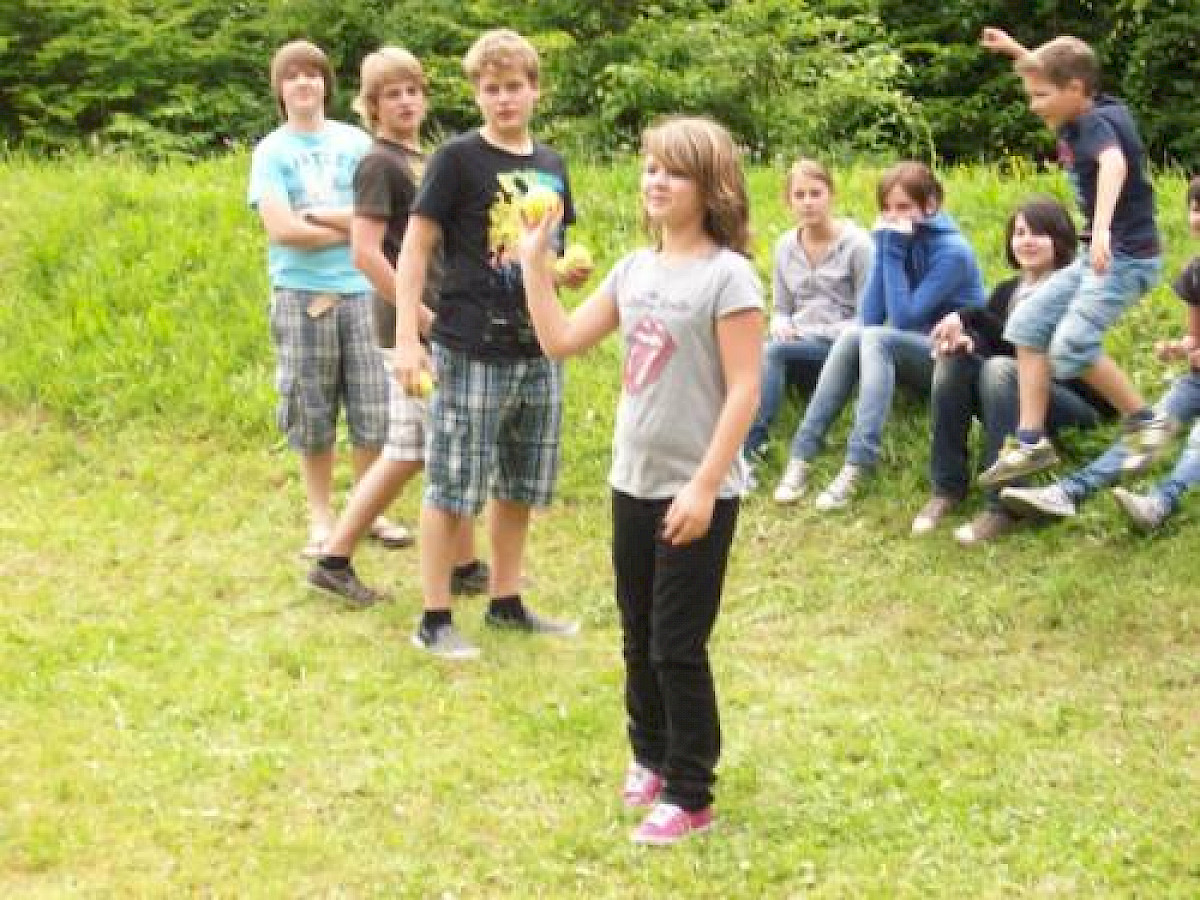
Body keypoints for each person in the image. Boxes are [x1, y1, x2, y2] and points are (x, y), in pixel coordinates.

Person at [517, 115, 763, 846]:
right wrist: (533, 263)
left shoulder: (728, 275)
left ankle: (691, 793)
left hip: (697, 489)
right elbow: (560, 340)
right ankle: (650, 755)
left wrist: (703, 486)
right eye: (651, 167)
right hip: (633, 479)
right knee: (638, 631)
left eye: (674, 172)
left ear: (711, 187)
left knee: (677, 645)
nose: (656, 181)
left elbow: (745, 389)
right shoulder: (633, 269)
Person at [392, 29, 591, 657]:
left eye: (514, 87)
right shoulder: (456, 159)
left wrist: (565, 274)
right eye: (491, 88)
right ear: (476, 94)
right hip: (470, 345)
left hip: (539, 348)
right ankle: (434, 618)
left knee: (520, 484)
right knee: (452, 484)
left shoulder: (552, 164)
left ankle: (507, 603)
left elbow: (543, 254)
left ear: (535, 91)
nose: (504, 99)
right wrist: (407, 338)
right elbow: (414, 250)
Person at [302, 47, 489, 617]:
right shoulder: (379, 164)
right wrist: (420, 318)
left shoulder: (419, 159)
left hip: (437, 316)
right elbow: (365, 251)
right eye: (391, 94)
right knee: (415, 448)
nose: (405, 102)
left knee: (437, 443)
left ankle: (463, 565)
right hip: (407, 328)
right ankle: (335, 559)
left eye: (412, 90)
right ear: (372, 105)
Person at [977, 28, 1176, 488]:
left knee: (1071, 348)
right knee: (1026, 324)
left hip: (1124, 258)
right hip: (1097, 255)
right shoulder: (1088, 104)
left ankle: (1146, 422)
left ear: (1074, 90)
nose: (1033, 106)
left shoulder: (1095, 125)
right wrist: (1017, 51)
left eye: (1040, 96)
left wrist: (1102, 227)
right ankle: (1030, 441)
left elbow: (1114, 165)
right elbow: (1055, 70)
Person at [247, 40, 396, 559]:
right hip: (301, 294)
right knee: (311, 411)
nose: (304, 83)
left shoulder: (357, 142)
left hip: (365, 290)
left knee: (373, 407)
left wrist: (318, 218)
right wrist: (351, 226)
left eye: (313, 74)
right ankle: (320, 519)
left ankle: (369, 512)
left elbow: (383, 216)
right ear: (280, 89)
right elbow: (282, 229)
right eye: (292, 76)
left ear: (327, 85)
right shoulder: (271, 151)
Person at [773, 161, 986, 508]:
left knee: (876, 338)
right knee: (855, 336)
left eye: (903, 207)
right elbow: (871, 315)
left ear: (930, 204)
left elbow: (902, 320)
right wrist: (887, 250)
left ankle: (859, 462)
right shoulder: (900, 239)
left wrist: (890, 251)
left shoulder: (953, 252)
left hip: (957, 363)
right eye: (886, 209)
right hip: (919, 352)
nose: (893, 217)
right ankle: (801, 455)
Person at [999, 176, 1200, 532]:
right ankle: (1067, 492)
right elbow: (1194, 339)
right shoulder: (1196, 272)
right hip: (1195, 382)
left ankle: (1160, 502)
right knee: (1146, 432)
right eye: (1196, 209)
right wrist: (1181, 348)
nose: (1198, 218)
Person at [911, 196, 1115, 544]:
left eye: (1038, 232)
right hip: (1014, 399)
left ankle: (1003, 505)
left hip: (1073, 404)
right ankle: (947, 488)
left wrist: (972, 319)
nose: (1027, 240)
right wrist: (967, 341)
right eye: (1020, 232)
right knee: (954, 357)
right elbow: (995, 340)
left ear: (1059, 239)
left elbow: (1044, 358)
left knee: (1001, 370)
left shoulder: (1073, 289)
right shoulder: (1008, 291)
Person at [742, 159, 872, 472]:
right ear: (788, 201)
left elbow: (868, 319)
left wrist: (807, 333)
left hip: (841, 348)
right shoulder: (785, 246)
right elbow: (781, 308)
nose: (808, 202)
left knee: (772, 352)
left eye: (816, 193)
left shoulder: (858, 245)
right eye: (799, 195)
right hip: (795, 343)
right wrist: (781, 322)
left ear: (831, 196)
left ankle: (751, 449)